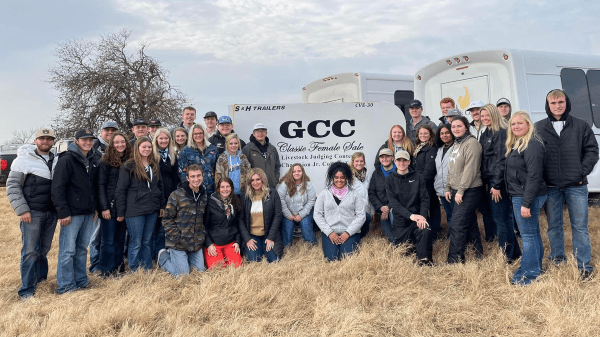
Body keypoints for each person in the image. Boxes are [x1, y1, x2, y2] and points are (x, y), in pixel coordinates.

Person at [535, 89, 599, 279]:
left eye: (560, 102)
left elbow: (592, 151)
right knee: (554, 226)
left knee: (580, 226)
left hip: (576, 185)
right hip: (551, 187)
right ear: (548, 105)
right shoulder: (539, 127)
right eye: (553, 103)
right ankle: (557, 259)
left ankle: (584, 266)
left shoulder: (581, 126)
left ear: (566, 102)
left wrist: (581, 170)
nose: (557, 106)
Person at [6, 128, 58, 299]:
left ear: (53, 142)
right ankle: (26, 290)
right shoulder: (23, 160)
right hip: (32, 213)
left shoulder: (56, 160)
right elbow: (13, 186)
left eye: (49, 139)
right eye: (42, 139)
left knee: (44, 250)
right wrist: (22, 209)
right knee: (30, 251)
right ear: (35, 141)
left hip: (51, 213)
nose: (45, 142)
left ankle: (41, 283)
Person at [51, 128, 98, 294]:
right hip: (71, 213)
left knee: (81, 249)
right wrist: (62, 212)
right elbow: (57, 187)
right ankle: (65, 285)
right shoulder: (66, 159)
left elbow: (93, 187)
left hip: (88, 212)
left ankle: (81, 281)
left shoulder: (92, 158)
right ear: (76, 141)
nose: (87, 142)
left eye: (90, 140)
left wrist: (94, 208)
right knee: (68, 250)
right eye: (84, 140)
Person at [506, 111, 548, 285]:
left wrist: (526, 203)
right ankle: (535, 268)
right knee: (532, 233)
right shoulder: (518, 143)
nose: (516, 127)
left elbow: (534, 176)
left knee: (528, 236)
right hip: (522, 194)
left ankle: (528, 276)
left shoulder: (532, 144)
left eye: (519, 123)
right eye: (513, 124)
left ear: (528, 125)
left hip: (526, 196)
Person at [115, 137, 165, 271]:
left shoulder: (154, 165)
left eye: (149, 147)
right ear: (137, 148)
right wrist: (120, 211)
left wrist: (161, 205)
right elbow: (121, 190)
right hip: (135, 210)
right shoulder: (129, 166)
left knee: (147, 241)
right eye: (144, 147)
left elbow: (160, 186)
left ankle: (147, 268)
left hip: (152, 209)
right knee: (136, 242)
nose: (147, 149)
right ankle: (134, 269)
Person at [479, 104, 521, 262]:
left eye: (487, 116)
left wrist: (496, 185)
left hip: (498, 183)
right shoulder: (485, 133)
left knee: (502, 219)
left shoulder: (501, 132)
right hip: (488, 181)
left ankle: (508, 256)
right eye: (482, 116)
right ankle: (514, 253)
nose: (484, 119)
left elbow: (501, 160)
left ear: (494, 115)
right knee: (501, 219)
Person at [444, 116, 484, 264]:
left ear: (466, 127)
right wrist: (448, 187)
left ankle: (455, 260)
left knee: (457, 223)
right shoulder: (456, 144)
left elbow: (470, 170)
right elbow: (452, 168)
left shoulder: (472, 144)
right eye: (453, 126)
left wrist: (461, 190)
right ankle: (477, 251)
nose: (456, 129)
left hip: (470, 190)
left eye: (459, 126)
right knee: (470, 222)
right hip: (456, 189)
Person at [158, 164, 208, 276]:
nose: (196, 179)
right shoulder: (177, 195)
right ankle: (163, 257)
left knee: (200, 272)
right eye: (193, 176)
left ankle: (184, 262)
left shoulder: (203, 195)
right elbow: (167, 219)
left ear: (202, 176)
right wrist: (176, 237)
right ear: (187, 178)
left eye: (198, 176)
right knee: (183, 276)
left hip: (195, 243)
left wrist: (202, 235)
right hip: (178, 243)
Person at [386, 150, 433, 266]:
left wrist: (422, 217)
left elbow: (425, 199)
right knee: (403, 252)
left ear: (409, 162)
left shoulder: (418, 177)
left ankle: (424, 261)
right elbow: (394, 203)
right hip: (401, 220)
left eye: (405, 160)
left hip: (418, 217)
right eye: (399, 160)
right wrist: (410, 216)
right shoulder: (389, 179)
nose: (402, 163)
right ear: (395, 161)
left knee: (424, 230)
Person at [314, 162, 366, 261]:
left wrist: (348, 232)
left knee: (347, 258)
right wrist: (330, 233)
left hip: (349, 232)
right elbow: (317, 215)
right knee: (331, 259)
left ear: (346, 178)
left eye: (342, 177)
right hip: (330, 232)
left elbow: (361, 215)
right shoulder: (324, 194)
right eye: (336, 177)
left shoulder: (354, 194)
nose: (339, 180)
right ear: (332, 178)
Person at [97, 132, 132, 277]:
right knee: (107, 241)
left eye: (122, 142)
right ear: (112, 145)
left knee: (120, 239)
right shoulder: (105, 161)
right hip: (109, 208)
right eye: (116, 142)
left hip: (124, 207)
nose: (120, 145)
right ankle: (106, 271)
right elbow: (100, 185)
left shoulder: (130, 161)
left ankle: (119, 268)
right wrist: (104, 207)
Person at [88, 120, 119, 274]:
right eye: (107, 130)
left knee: (109, 236)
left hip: (111, 200)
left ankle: (108, 263)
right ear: (101, 132)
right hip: (96, 198)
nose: (110, 133)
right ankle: (95, 265)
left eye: (113, 130)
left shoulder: (118, 149)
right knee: (96, 236)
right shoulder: (94, 149)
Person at [238, 168, 283, 263]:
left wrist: (271, 238)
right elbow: (240, 219)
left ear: (262, 179)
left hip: (268, 234)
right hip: (252, 236)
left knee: (273, 260)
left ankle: (265, 246)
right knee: (254, 260)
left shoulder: (273, 193)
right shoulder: (245, 197)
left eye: (258, 179)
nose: (255, 182)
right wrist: (247, 239)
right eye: (252, 180)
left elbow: (277, 216)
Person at [152, 128, 180, 259]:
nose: (163, 141)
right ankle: (156, 255)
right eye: (161, 138)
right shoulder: (152, 156)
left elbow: (175, 178)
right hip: (155, 196)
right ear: (156, 139)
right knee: (156, 227)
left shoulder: (172, 155)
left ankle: (165, 253)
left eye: (166, 138)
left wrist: (174, 197)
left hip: (170, 196)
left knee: (167, 226)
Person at [204, 177, 243, 268]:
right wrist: (209, 244)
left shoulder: (235, 202)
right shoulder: (210, 203)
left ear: (231, 188)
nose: (225, 189)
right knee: (219, 270)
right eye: (222, 187)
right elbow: (203, 226)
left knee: (237, 268)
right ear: (218, 189)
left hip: (230, 242)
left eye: (228, 186)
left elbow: (237, 224)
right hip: (214, 243)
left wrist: (237, 242)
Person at [277, 164, 318, 248]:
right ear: (291, 173)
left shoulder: (308, 184)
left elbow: (311, 201)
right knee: (288, 228)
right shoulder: (285, 184)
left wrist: (301, 215)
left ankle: (312, 245)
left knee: (305, 225)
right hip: (288, 212)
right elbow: (280, 200)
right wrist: (289, 215)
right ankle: (286, 248)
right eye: (294, 171)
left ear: (302, 172)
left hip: (304, 212)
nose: (297, 173)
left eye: (299, 171)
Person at [413, 124, 441, 238]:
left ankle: (435, 232)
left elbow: (429, 169)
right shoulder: (418, 147)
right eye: (421, 134)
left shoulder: (432, 148)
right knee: (426, 206)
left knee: (432, 207)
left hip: (428, 183)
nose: (423, 135)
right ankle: (427, 230)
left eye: (426, 133)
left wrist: (419, 182)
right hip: (419, 182)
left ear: (430, 135)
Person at [178, 124, 219, 194]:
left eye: (200, 133)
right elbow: (181, 171)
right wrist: (188, 186)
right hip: (194, 189)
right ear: (192, 135)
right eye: (195, 134)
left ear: (204, 134)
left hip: (210, 189)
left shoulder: (213, 149)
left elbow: (217, 169)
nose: (198, 135)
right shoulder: (186, 150)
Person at [368, 148, 396, 242]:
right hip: (382, 210)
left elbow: (402, 194)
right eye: (382, 157)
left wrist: (389, 207)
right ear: (379, 159)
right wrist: (381, 207)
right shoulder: (376, 173)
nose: (384, 159)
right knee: (388, 238)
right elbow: (372, 192)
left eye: (387, 156)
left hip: (396, 209)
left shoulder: (399, 171)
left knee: (397, 232)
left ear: (392, 158)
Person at [242, 123, 281, 189]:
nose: (260, 133)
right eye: (257, 131)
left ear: (266, 133)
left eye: (263, 131)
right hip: (255, 187)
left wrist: (275, 180)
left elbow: (277, 166)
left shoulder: (272, 149)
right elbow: (244, 169)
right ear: (254, 134)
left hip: (270, 186)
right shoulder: (247, 149)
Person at [433, 124, 455, 234]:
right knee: (449, 214)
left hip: (452, 188)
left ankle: (456, 237)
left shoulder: (457, 147)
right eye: (442, 133)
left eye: (447, 132)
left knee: (456, 215)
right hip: (441, 189)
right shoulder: (440, 149)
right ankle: (451, 237)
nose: (444, 135)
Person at [349, 152, 372, 239]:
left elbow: (369, 191)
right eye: (357, 161)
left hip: (365, 206)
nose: (359, 163)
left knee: (367, 219)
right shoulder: (348, 175)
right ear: (353, 162)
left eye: (361, 161)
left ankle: (362, 238)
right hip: (352, 207)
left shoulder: (367, 174)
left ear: (364, 162)